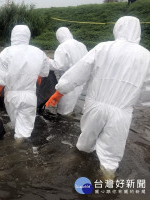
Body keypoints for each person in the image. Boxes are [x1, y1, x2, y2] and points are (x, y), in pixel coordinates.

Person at [46, 16, 150, 176]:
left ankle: (77, 171)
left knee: (85, 144)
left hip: (94, 105)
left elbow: (80, 71)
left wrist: (60, 90)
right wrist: (132, 102)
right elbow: (146, 93)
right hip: (122, 112)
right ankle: (106, 185)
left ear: (118, 28)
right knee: (110, 158)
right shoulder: (146, 56)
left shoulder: (103, 48)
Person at [0, 25, 50, 139]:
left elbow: (1, 80)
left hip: (11, 96)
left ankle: (14, 150)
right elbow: (44, 73)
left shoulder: (6, 52)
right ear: (28, 36)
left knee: (15, 125)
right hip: (30, 96)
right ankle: (19, 148)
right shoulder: (39, 52)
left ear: (13, 36)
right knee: (23, 131)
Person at [48, 27, 88, 115]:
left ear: (59, 37)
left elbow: (58, 65)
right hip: (81, 83)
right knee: (72, 106)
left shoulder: (63, 46)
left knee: (63, 113)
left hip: (68, 83)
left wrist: (47, 61)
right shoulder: (81, 45)